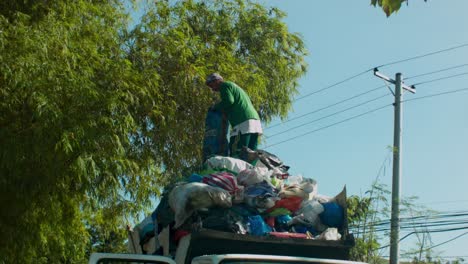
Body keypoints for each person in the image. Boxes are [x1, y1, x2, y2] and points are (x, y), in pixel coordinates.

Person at [205, 73, 263, 159]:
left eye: (211, 85)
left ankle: (237, 171)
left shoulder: (224, 86)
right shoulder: (234, 87)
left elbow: (229, 101)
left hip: (242, 120)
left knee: (237, 150)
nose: (212, 89)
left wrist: (215, 107)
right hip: (254, 120)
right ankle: (250, 170)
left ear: (217, 81)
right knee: (252, 152)